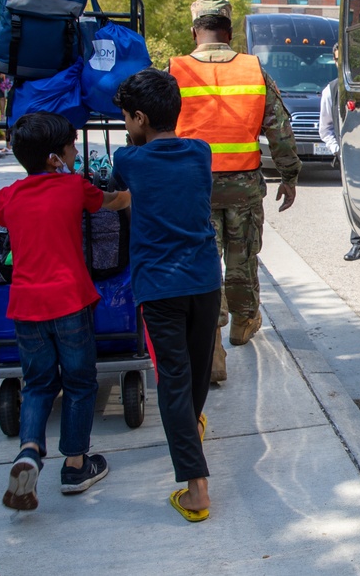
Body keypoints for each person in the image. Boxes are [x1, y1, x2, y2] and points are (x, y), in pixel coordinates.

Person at [0, 111, 130, 511]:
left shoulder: (10, 196)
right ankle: (75, 465)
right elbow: (112, 201)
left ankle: (28, 452)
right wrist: (134, 191)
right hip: (70, 303)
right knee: (79, 382)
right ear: (56, 158)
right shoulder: (74, 187)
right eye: (72, 147)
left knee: (38, 383)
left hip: (25, 308)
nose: (76, 153)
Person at [169, 0, 302, 383]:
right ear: (229, 33)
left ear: (196, 31)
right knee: (242, 257)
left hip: (193, 187)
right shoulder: (253, 70)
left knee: (204, 261)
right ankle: (243, 323)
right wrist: (289, 175)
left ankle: (211, 338)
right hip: (243, 186)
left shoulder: (174, 71)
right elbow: (279, 130)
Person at [110, 68, 222, 522]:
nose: (124, 126)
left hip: (160, 289)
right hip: (204, 281)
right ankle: (191, 428)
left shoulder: (129, 161)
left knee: (173, 382)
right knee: (194, 377)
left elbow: (120, 189)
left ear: (139, 117)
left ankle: (197, 490)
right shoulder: (200, 152)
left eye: (125, 118)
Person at [318, 43, 360, 261]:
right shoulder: (331, 90)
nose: (342, 63)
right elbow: (325, 128)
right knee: (354, 199)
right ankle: (358, 243)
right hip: (349, 156)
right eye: (338, 59)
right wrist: (338, 150)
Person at [0, 73, 14, 152]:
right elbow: (2, 99)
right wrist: (2, 114)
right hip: (10, 106)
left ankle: (12, 146)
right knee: (8, 126)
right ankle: (8, 147)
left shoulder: (12, 78)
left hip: (17, 104)